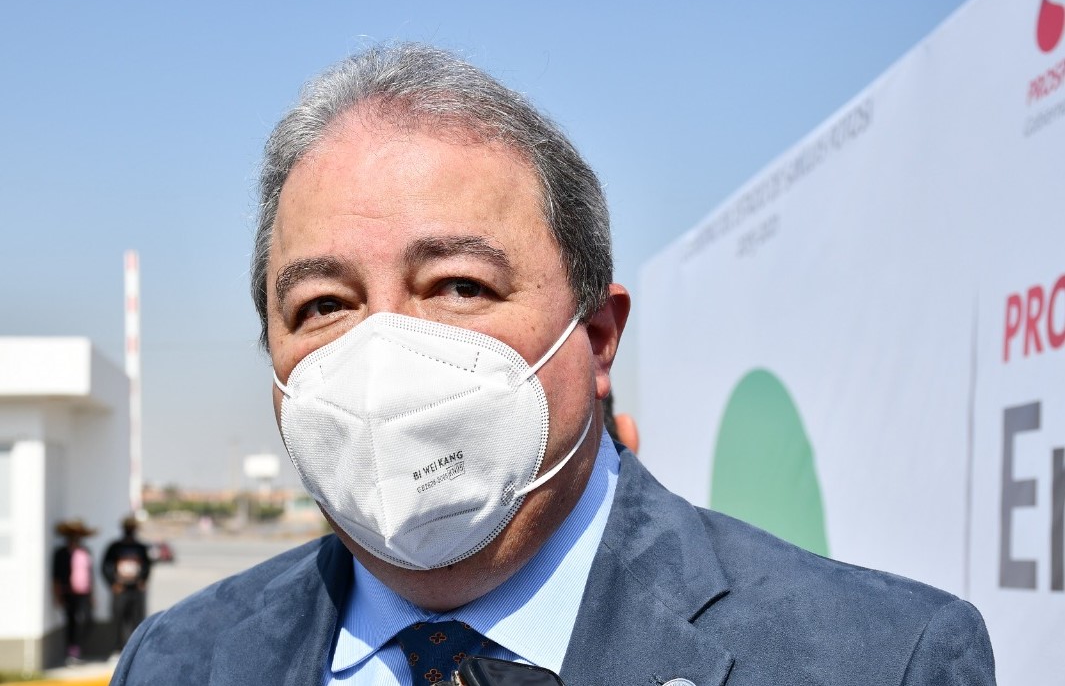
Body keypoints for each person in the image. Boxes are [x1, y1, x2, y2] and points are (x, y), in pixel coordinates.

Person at [112, 43, 995, 685]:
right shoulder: (178, 660)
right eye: (323, 304)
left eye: (458, 285)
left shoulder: (878, 657)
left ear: (598, 335)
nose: (381, 357)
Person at [101, 515, 152, 653]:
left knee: (137, 619)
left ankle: (135, 649)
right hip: (121, 589)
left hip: (135, 590)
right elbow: (106, 566)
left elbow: (147, 565)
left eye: (132, 528)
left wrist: (143, 580)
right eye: (128, 528)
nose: (130, 531)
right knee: (118, 619)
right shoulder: (115, 547)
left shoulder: (140, 547)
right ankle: (118, 648)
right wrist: (113, 583)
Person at [51, 519, 96, 665]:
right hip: (68, 592)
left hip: (84, 592)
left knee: (87, 619)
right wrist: (57, 595)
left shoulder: (85, 552)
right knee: (71, 621)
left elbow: (90, 574)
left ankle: (79, 646)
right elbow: (56, 575)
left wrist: (92, 594)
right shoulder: (61, 553)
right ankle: (72, 651)